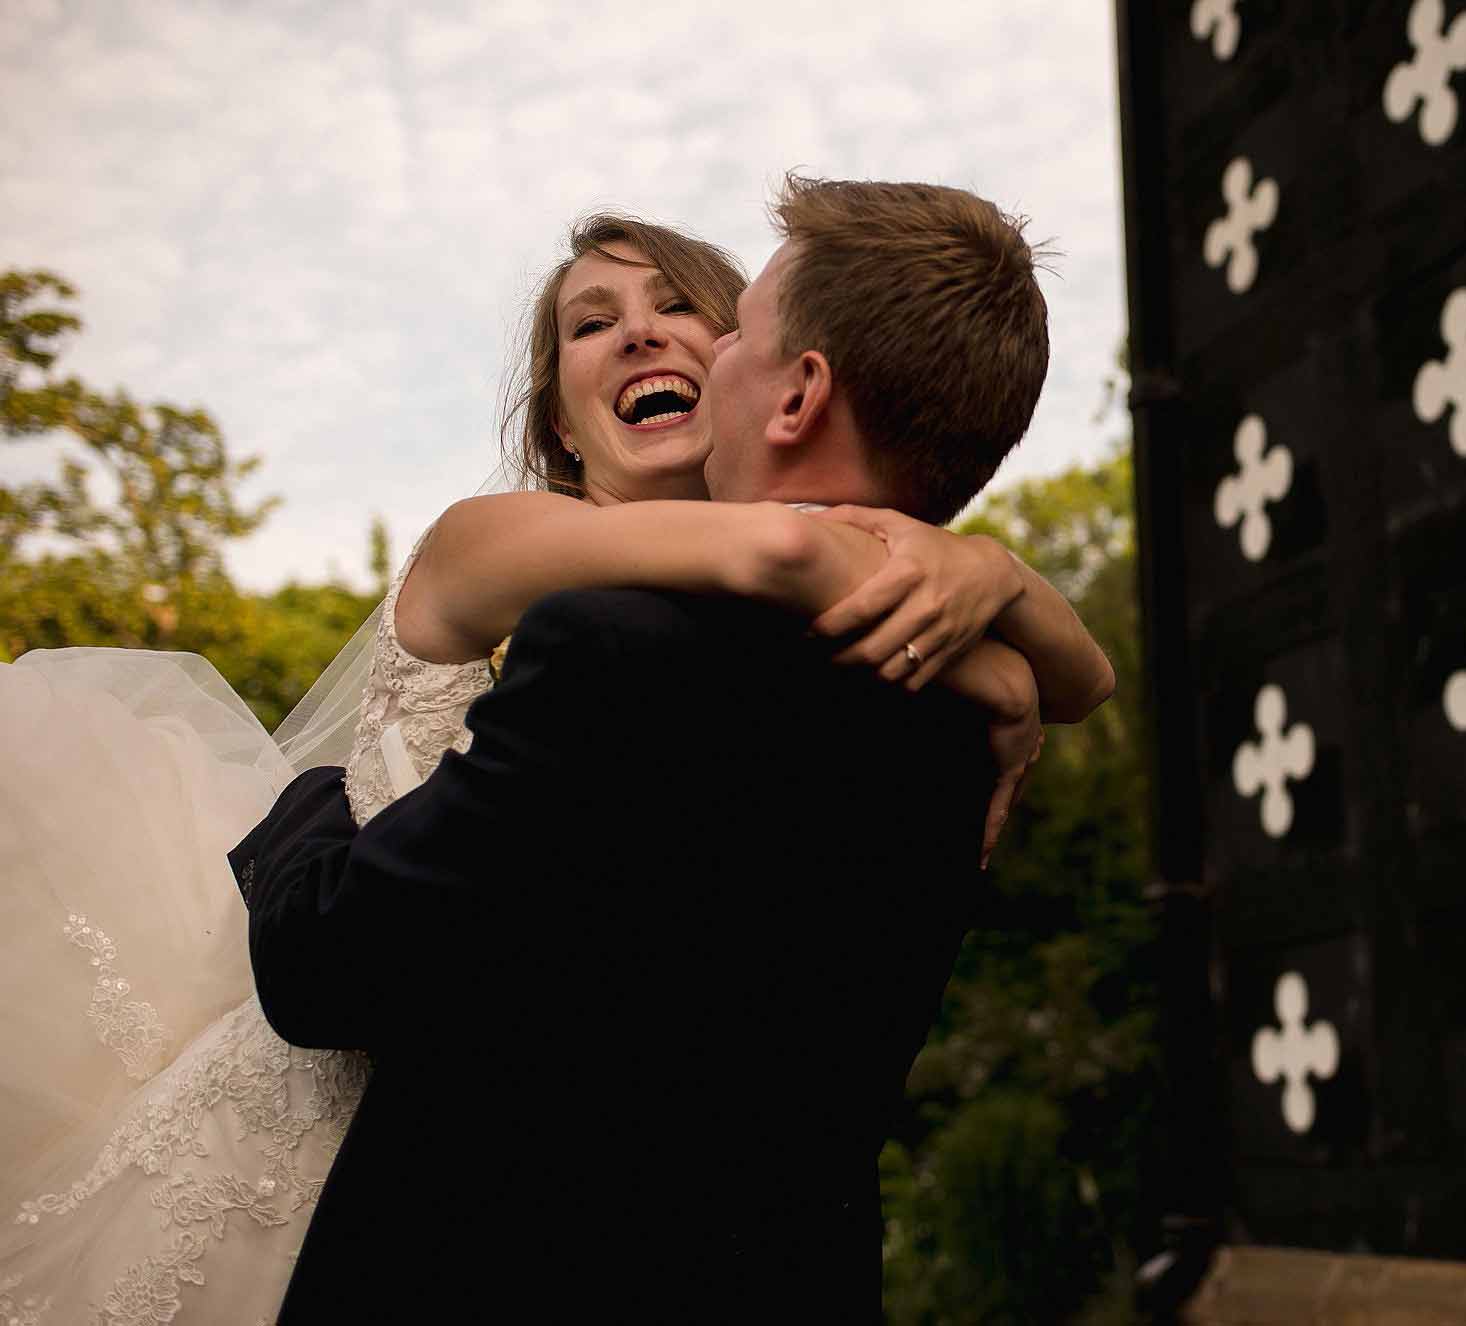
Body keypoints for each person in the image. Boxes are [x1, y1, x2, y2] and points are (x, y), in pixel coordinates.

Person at [0, 184, 1104, 1323]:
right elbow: (790, 554)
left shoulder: (701, 642)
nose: (638, 331)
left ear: (769, 382)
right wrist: (993, 595)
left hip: (477, 1211)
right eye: (589, 323)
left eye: (690, 312)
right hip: (333, 1114)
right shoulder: (515, 547)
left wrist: (990, 592)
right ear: (562, 429)